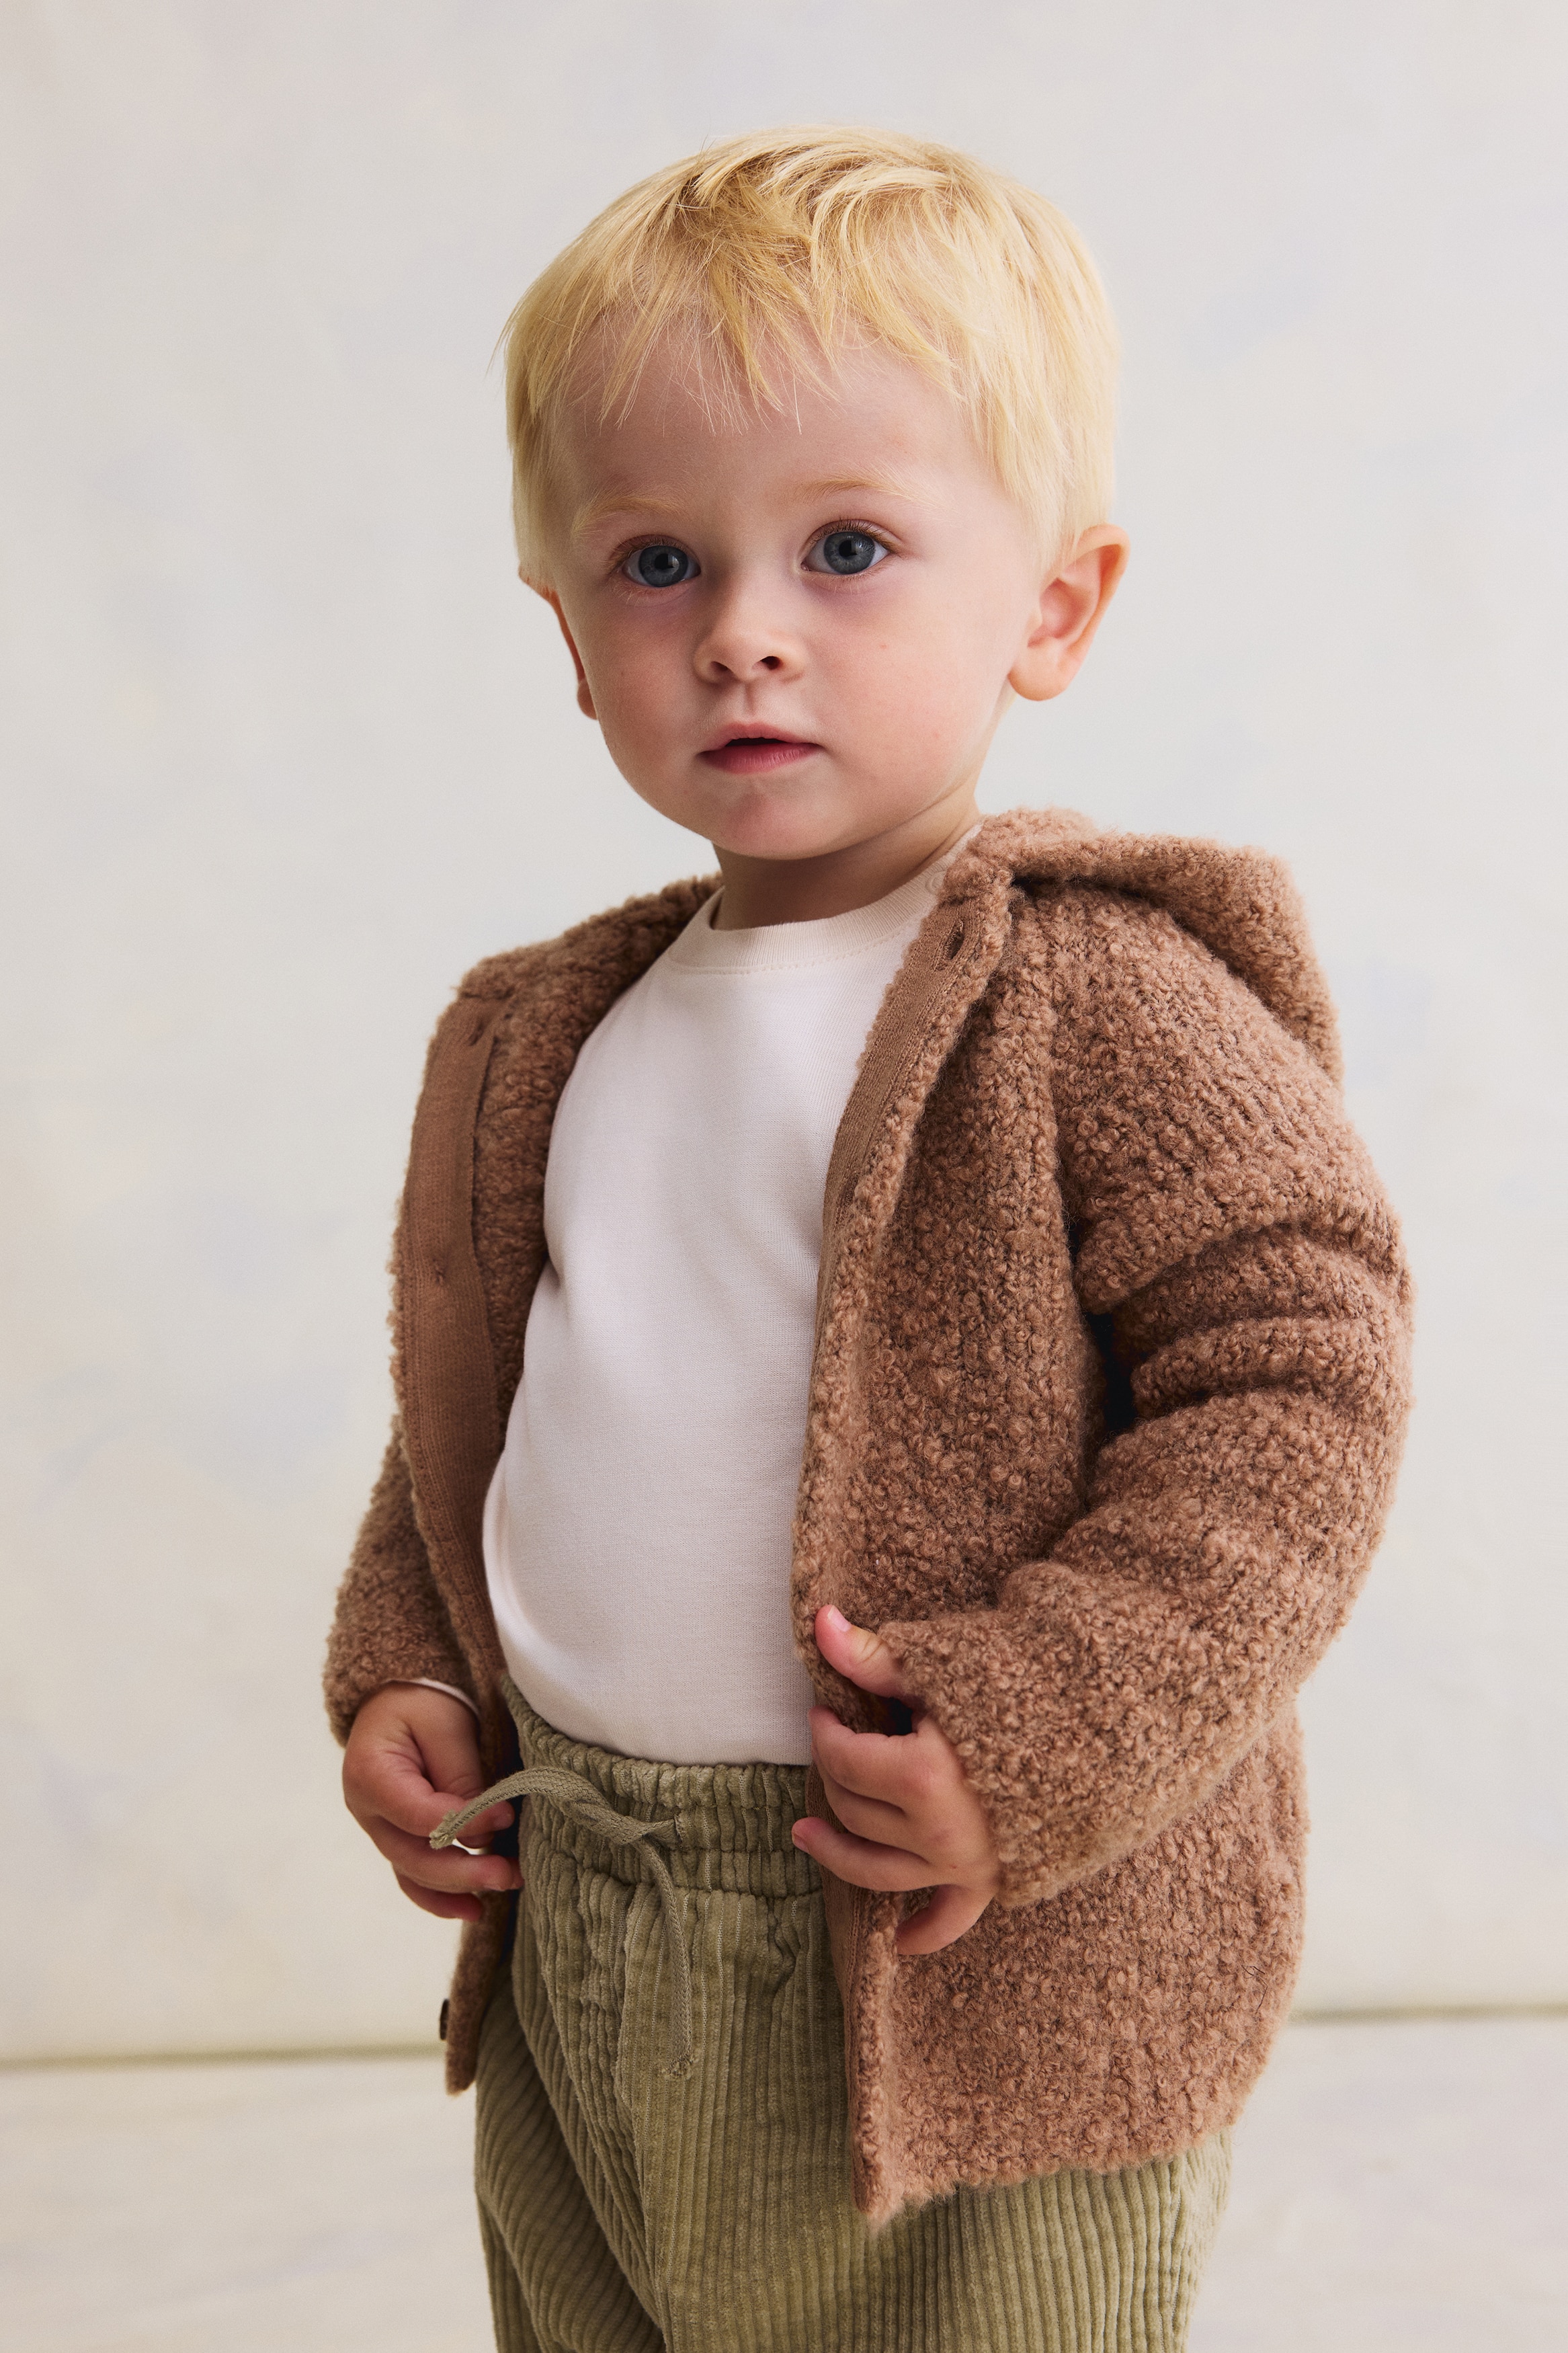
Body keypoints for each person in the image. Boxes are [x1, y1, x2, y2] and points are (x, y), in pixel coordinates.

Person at [326, 127, 1412, 2352]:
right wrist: (411, 1664)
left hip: (955, 1943)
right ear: (568, 636)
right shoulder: (553, 1030)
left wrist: (1040, 1727)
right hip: (588, 1904)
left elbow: (1301, 1383)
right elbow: (494, 1409)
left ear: (1054, 607)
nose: (742, 630)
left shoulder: (1094, 991)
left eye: (846, 548)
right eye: (656, 562)